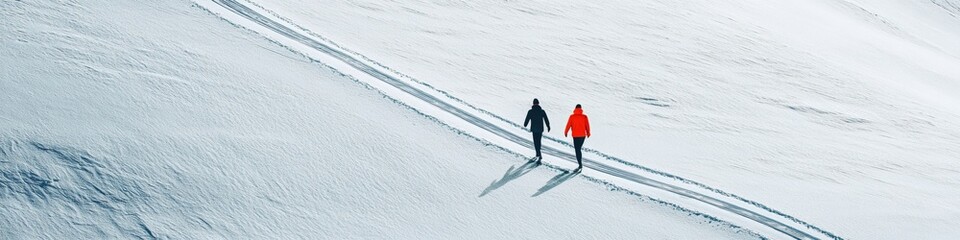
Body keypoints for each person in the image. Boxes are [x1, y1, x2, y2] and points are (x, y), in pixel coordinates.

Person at [564, 104, 590, 171]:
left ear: (575, 109)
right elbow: (587, 125)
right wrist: (588, 132)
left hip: (575, 136)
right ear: (581, 109)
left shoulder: (572, 117)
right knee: (579, 149)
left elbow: (568, 125)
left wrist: (566, 132)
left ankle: (580, 164)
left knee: (577, 149)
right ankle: (580, 164)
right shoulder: (584, 116)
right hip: (582, 135)